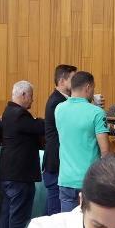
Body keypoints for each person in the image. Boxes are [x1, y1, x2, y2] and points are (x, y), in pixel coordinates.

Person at [0, 80, 45, 228]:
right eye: (31, 96)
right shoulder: (19, 114)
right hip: (19, 174)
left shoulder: (8, 112)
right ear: (23, 95)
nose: (32, 100)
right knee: (18, 216)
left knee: (7, 214)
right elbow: (40, 127)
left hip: (9, 173)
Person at [55, 71, 109, 211]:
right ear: (88, 88)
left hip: (65, 179)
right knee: (89, 223)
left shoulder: (59, 109)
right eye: (93, 88)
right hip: (89, 181)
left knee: (69, 222)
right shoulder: (96, 113)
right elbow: (105, 151)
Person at [42, 64, 77, 215]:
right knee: (55, 214)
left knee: (52, 211)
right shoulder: (58, 102)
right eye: (73, 79)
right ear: (62, 81)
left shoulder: (61, 100)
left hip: (58, 163)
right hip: (56, 162)